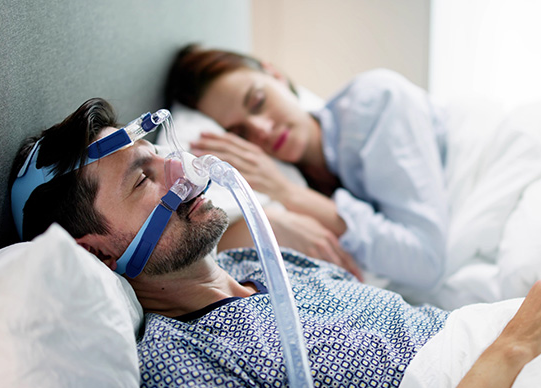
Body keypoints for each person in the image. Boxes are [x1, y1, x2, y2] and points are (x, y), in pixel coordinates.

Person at [10, 98, 541, 388]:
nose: (181, 171)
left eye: (161, 153)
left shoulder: (259, 262)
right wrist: (517, 343)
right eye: (145, 179)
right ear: (96, 252)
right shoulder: (181, 376)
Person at [164, 44, 450, 291]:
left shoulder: (376, 103)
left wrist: (286, 191)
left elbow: (427, 261)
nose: (262, 129)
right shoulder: (301, 174)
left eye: (258, 102)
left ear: (275, 74)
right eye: (240, 133)